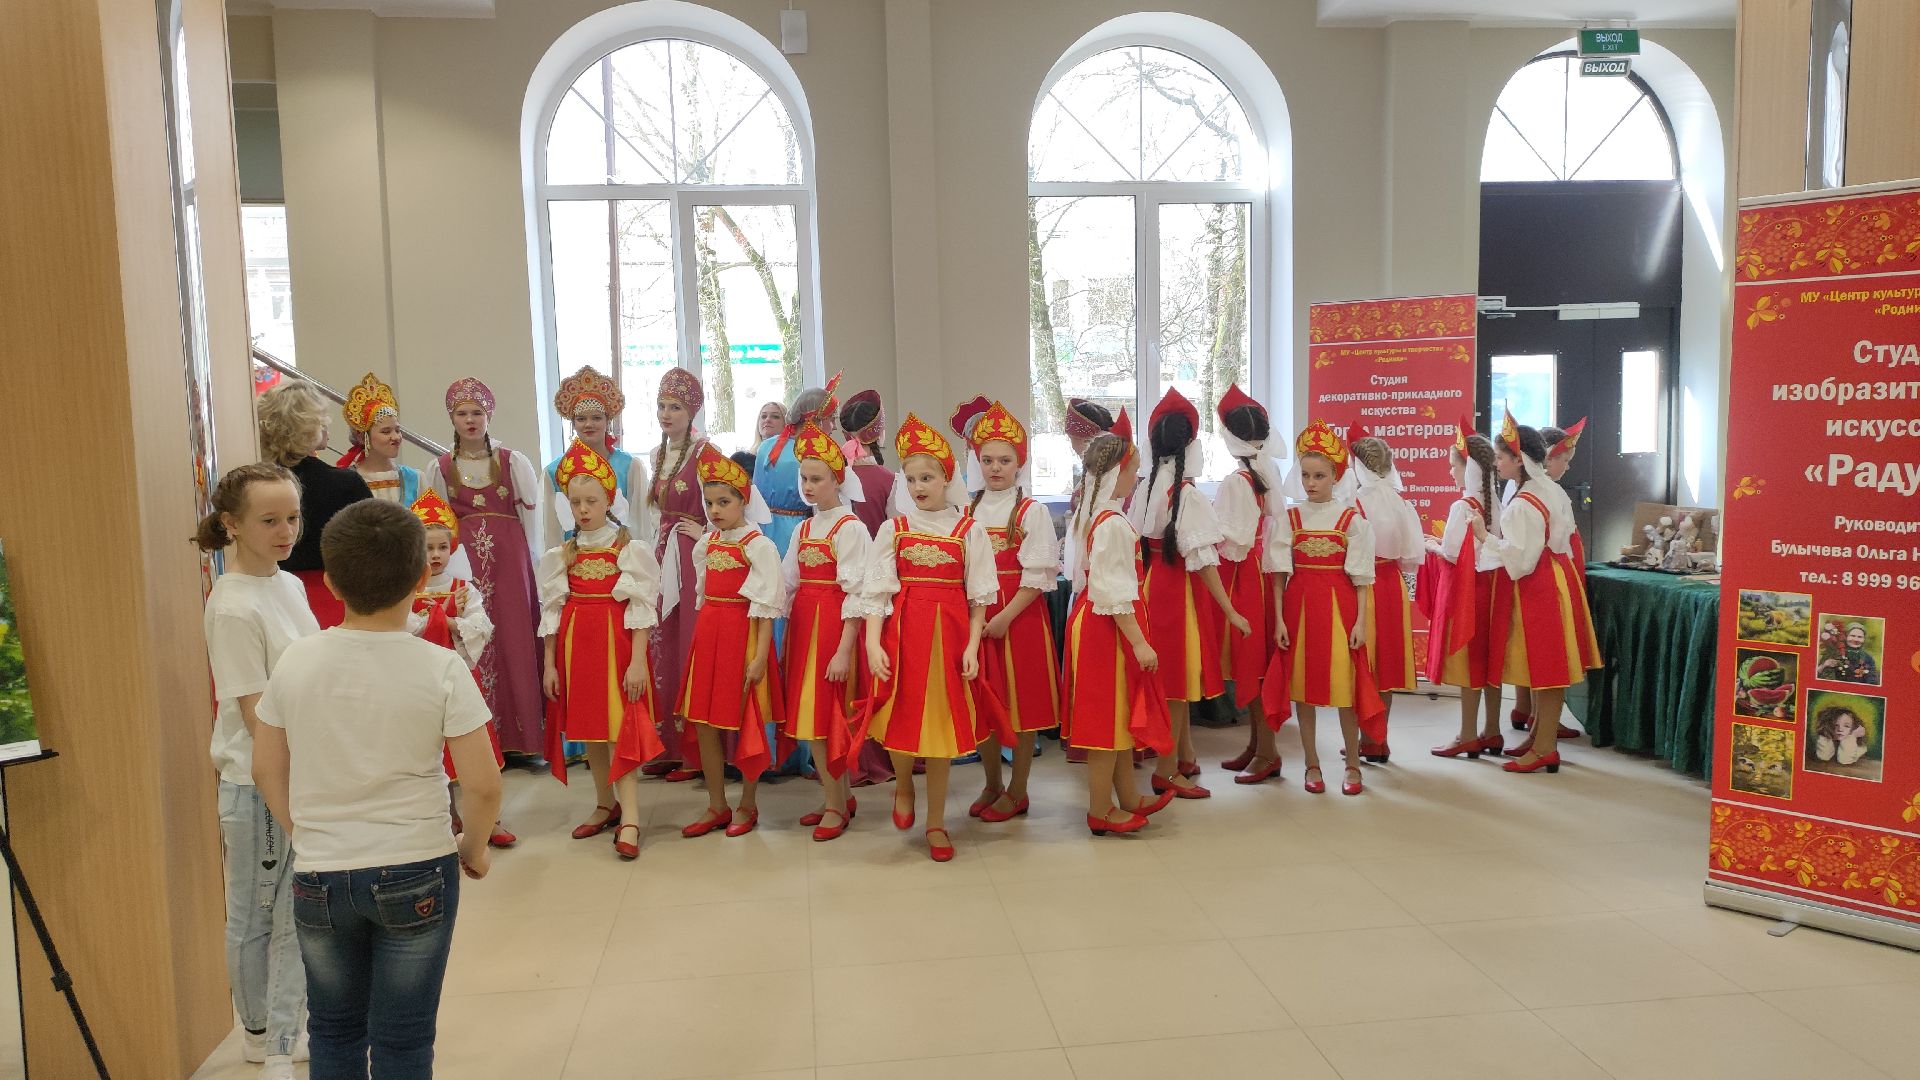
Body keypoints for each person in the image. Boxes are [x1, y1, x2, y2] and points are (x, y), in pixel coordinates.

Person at [252, 499, 500, 1080]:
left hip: (321, 871)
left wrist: (304, 832)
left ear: (331, 583)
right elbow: (483, 784)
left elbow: (265, 767)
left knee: (334, 1031)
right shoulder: (440, 667)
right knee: (404, 1039)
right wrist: (474, 846)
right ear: (420, 580)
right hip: (417, 863)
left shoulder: (295, 661)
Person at [194, 463, 315, 1080]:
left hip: (302, 771)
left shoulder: (288, 585)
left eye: (292, 517)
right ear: (232, 524)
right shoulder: (234, 605)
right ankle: (260, 1030)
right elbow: (255, 712)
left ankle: (288, 1028)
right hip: (255, 780)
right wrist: (284, 789)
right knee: (255, 913)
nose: (286, 531)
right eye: (270, 520)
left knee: (298, 910)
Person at [857, 413, 999, 863]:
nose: (919, 486)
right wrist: (872, 643)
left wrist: (972, 646)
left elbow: (979, 598)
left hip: (950, 641)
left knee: (940, 730)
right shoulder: (893, 530)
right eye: (912, 478)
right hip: (903, 638)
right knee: (901, 718)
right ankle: (903, 785)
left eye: (928, 477)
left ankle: (936, 822)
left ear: (946, 479)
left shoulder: (969, 530)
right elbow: (876, 591)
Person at [537, 440, 664, 858]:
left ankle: (631, 817)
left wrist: (638, 662)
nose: (583, 509)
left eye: (591, 501)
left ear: (609, 499)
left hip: (616, 647)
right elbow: (553, 612)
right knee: (590, 728)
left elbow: (641, 609)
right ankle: (605, 803)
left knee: (617, 730)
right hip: (577, 649)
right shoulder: (562, 554)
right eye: (575, 502)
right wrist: (550, 665)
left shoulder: (628, 549)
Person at [1061, 418, 1177, 835]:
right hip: (1106, 628)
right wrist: (1140, 643)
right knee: (1105, 721)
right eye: (1133, 471)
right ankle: (1100, 808)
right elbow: (1111, 591)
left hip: (1102, 622)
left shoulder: (1099, 515)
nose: (1136, 478)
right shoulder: (1110, 524)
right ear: (1116, 473)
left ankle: (1128, 796)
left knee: (1119, 715)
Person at [1132, 388, 1249, 799]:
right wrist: (1230, 610)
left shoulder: (1146, 489)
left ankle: (1183, 755)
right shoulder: (1188, 496)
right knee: (1177, 687)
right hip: (1179, 594)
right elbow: (1203, 562)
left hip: (1151, 588)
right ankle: (1166, 771)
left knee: (1168, 680)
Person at [1262, 420, 1388, 797]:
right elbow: (1279, 576)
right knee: (1303, 689)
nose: (1311, 483)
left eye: (1319, 476)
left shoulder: (1352, 521)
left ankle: (1353, 764)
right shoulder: (1290, 518)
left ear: (1336, 476)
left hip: (1340, 610)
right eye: (1305, 475)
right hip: (1299, 611)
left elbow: (1362, 580)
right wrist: (1279, 619)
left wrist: (1361, 623)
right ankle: (1311, 763)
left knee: (1345, 689)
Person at [1474, 410, 1603, 773]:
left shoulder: (1522, 504)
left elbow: (1521, 561)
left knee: (1547, 669)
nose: (1496, 463)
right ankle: (1540, 736)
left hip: (1539, 586)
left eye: (1501, 457)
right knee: (1549, 666)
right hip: (1557, 577)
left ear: (1519, 460)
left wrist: (1485, 538)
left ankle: (1545, 746)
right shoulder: (1548, 488)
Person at [953, 399, 1060, 822]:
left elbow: (1038, 576)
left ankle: (1019, 789)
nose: (995, 468)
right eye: (988, 460)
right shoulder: (967, 510)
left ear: (1020, 463)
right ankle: (992, 783)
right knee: (984, 700)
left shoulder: (1032, 511)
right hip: (978, 615)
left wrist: (1004, 618)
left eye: (1004, 460)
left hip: (1018, 616)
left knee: (1021, 702)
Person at [428, 378, 546, 757]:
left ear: (488, 416)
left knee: (513, 637)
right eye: (462, 413)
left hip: (511, 564)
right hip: (465, 564)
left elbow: (532, 521)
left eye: (477, 412)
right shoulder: (440, 468)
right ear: (452, 418)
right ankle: (483, 740)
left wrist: (533, 566)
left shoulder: (513, 462)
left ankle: (523, 738)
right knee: (471, 638)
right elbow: (435, 525)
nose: (470, 420)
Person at [678, 444, 786, 838]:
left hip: (743, 639)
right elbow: (703, 597)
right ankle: (717, 804)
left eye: (724, 502)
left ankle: (748, 804)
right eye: (710, 503)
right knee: (705, 723)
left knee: (746, 722)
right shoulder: (708, 544)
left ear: (744, 501)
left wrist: (760, 657)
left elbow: (765, 607)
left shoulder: (758, 546)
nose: (715, 510)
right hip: (709, 637)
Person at [779, 421, 873, 841]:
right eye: (804, 478)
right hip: (804, 627)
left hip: (833, 629)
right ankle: (839, 796)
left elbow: (858, 593)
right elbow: (787, 582)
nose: (808, 486)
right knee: (810, 715)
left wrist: (843, 650)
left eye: (817, 479)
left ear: (838, 480)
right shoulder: (803, 528)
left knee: (824, 717)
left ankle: (836, 804)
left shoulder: (850, 528)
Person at [407, 489, 516, 848]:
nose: (435, 555)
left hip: (460, 678)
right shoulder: (405, 592)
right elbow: (405, 628)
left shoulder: (463, 589)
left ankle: (489, 820)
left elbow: (481, 627)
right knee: (436, 751)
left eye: (442, 547)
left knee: (473, 746)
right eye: (427, 548)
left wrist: (447, 621)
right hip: (421, 682)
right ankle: (449, 816)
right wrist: (441, 615)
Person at [1211, 386, 1285, 784]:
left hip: (1242, 574)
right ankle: (1258, 744)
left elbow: (1233, 541)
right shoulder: (1262, 473)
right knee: (1255, 661)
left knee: (1253, 664)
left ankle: (1268, 750)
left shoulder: (1237, 480)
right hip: (1259, 570)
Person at [259, 382, 373, 627]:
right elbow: (373, 549)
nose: (327, 427)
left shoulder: (255, 486)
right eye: (322, 420)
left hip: (272, 599)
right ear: (308, 428)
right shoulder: (346, 484)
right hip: (337, 599)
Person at [646, 367, 712, 782]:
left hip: (690, 556)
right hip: (663, 551)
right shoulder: (657, 454)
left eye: (675, 407)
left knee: (688, 640)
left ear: (691, 413)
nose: (666, 414)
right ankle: (666, 745)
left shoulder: (706, 453)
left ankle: (696, 752)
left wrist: (706, 532)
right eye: (662, 406)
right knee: (662, 642)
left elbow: (731, 501)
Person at [1426, 423, 1507, 759]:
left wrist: (1432, 545)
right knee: (1490, 662)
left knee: (1470, 662)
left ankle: (1468, 733)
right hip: (1493, 589)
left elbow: (1452, 552)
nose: (1450, 471)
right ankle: (1492, 730)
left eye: (1454, 465)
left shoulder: (1462, 507)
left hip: (1468, 592)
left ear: (1468, 468)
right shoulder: (1495, 502)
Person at [1348, 428, 1423, 763]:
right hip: (1392, 583)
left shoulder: (1353, 503)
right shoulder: (1399, 502)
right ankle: (1378, 739)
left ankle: (1364, 737)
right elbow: (1410, 556)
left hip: (1362, 585)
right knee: (1387, 664)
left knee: (1363, 662)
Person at [1511, 418, 1587, 739]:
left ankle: (1536, 719)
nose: (1567, 467)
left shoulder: (1537, 490)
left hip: (1551, 566)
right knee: (1546, 651)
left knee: (1541, 650)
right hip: (1545, 571)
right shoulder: (1537, 492)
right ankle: (1540, 722)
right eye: (1563, 460)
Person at [544, 365, 653, 550]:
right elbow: (550, 531)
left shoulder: (629, 466)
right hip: (574, 557)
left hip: (620, 555)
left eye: (596, 418)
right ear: (573, 424)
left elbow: (640, 523)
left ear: (607, 421)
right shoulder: (555, 471)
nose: (589, 424)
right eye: (581, 419)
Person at [755, 376, 841, 558]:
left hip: (761, 531)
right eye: (831, 419)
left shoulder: (765, 447)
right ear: (816, 420)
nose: (833, 427)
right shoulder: (812, 451)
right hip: (799, 531)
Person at [337, 373, 423, 507]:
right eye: (386, 431)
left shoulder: (416, 479)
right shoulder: (345, 481)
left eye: (398, 430)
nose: (396, 437)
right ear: (362, 437)